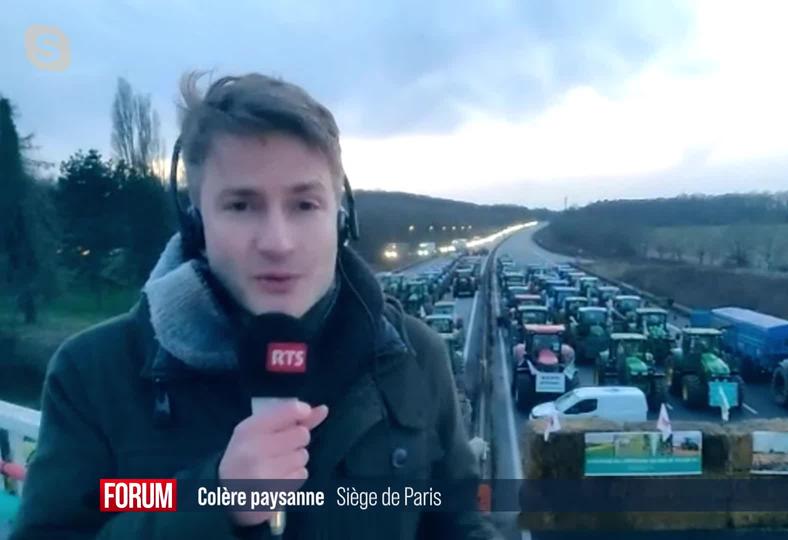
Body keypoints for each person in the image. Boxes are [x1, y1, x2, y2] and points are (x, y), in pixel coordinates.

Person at [10, 72, 502, 540]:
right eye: (241, 205)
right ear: (197, 223)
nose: (277, 242)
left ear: (341, 218)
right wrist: (211, 499)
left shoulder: (414, 356)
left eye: (304, 204)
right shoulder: (94, 375)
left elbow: (455, 519)